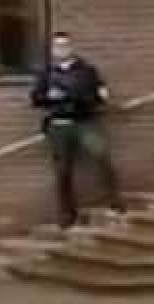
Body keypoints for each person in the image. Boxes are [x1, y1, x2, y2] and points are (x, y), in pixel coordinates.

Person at [30, 31, 123, 230]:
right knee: (62, 170)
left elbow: (99, 95)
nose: (61, 49)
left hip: (84, 122)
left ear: (71, 47)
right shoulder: (46, 73)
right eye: (57, 46)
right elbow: (36, 99)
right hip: (59, 125)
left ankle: (114, 202)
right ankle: (67, 214)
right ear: (53, 50)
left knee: (101, 156)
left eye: (64, 45)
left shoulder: (86, 71)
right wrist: (51, 97)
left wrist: (78, 96)